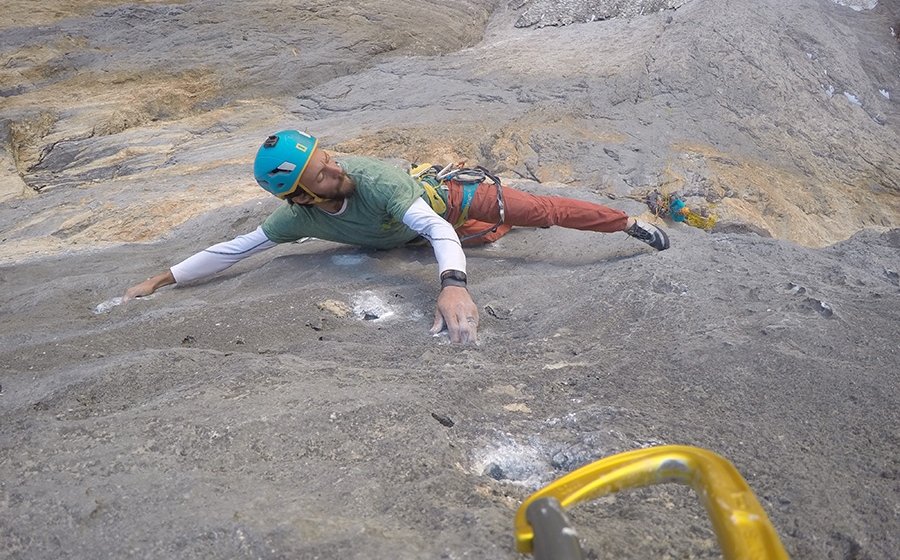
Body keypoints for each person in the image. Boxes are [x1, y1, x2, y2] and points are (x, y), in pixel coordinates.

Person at [124, 130, 670, 343]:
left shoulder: (378, 180)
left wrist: (453, 284)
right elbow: (237, 247)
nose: (337, 170)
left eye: (328, 158)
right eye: (321, 173)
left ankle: (626, 224)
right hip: (407, 234)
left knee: (537, 210)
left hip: (445, 201)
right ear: (301, 198)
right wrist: (160, 279)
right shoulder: (299, 222)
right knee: (490, 231)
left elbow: (433, 226)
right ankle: (488, 233)